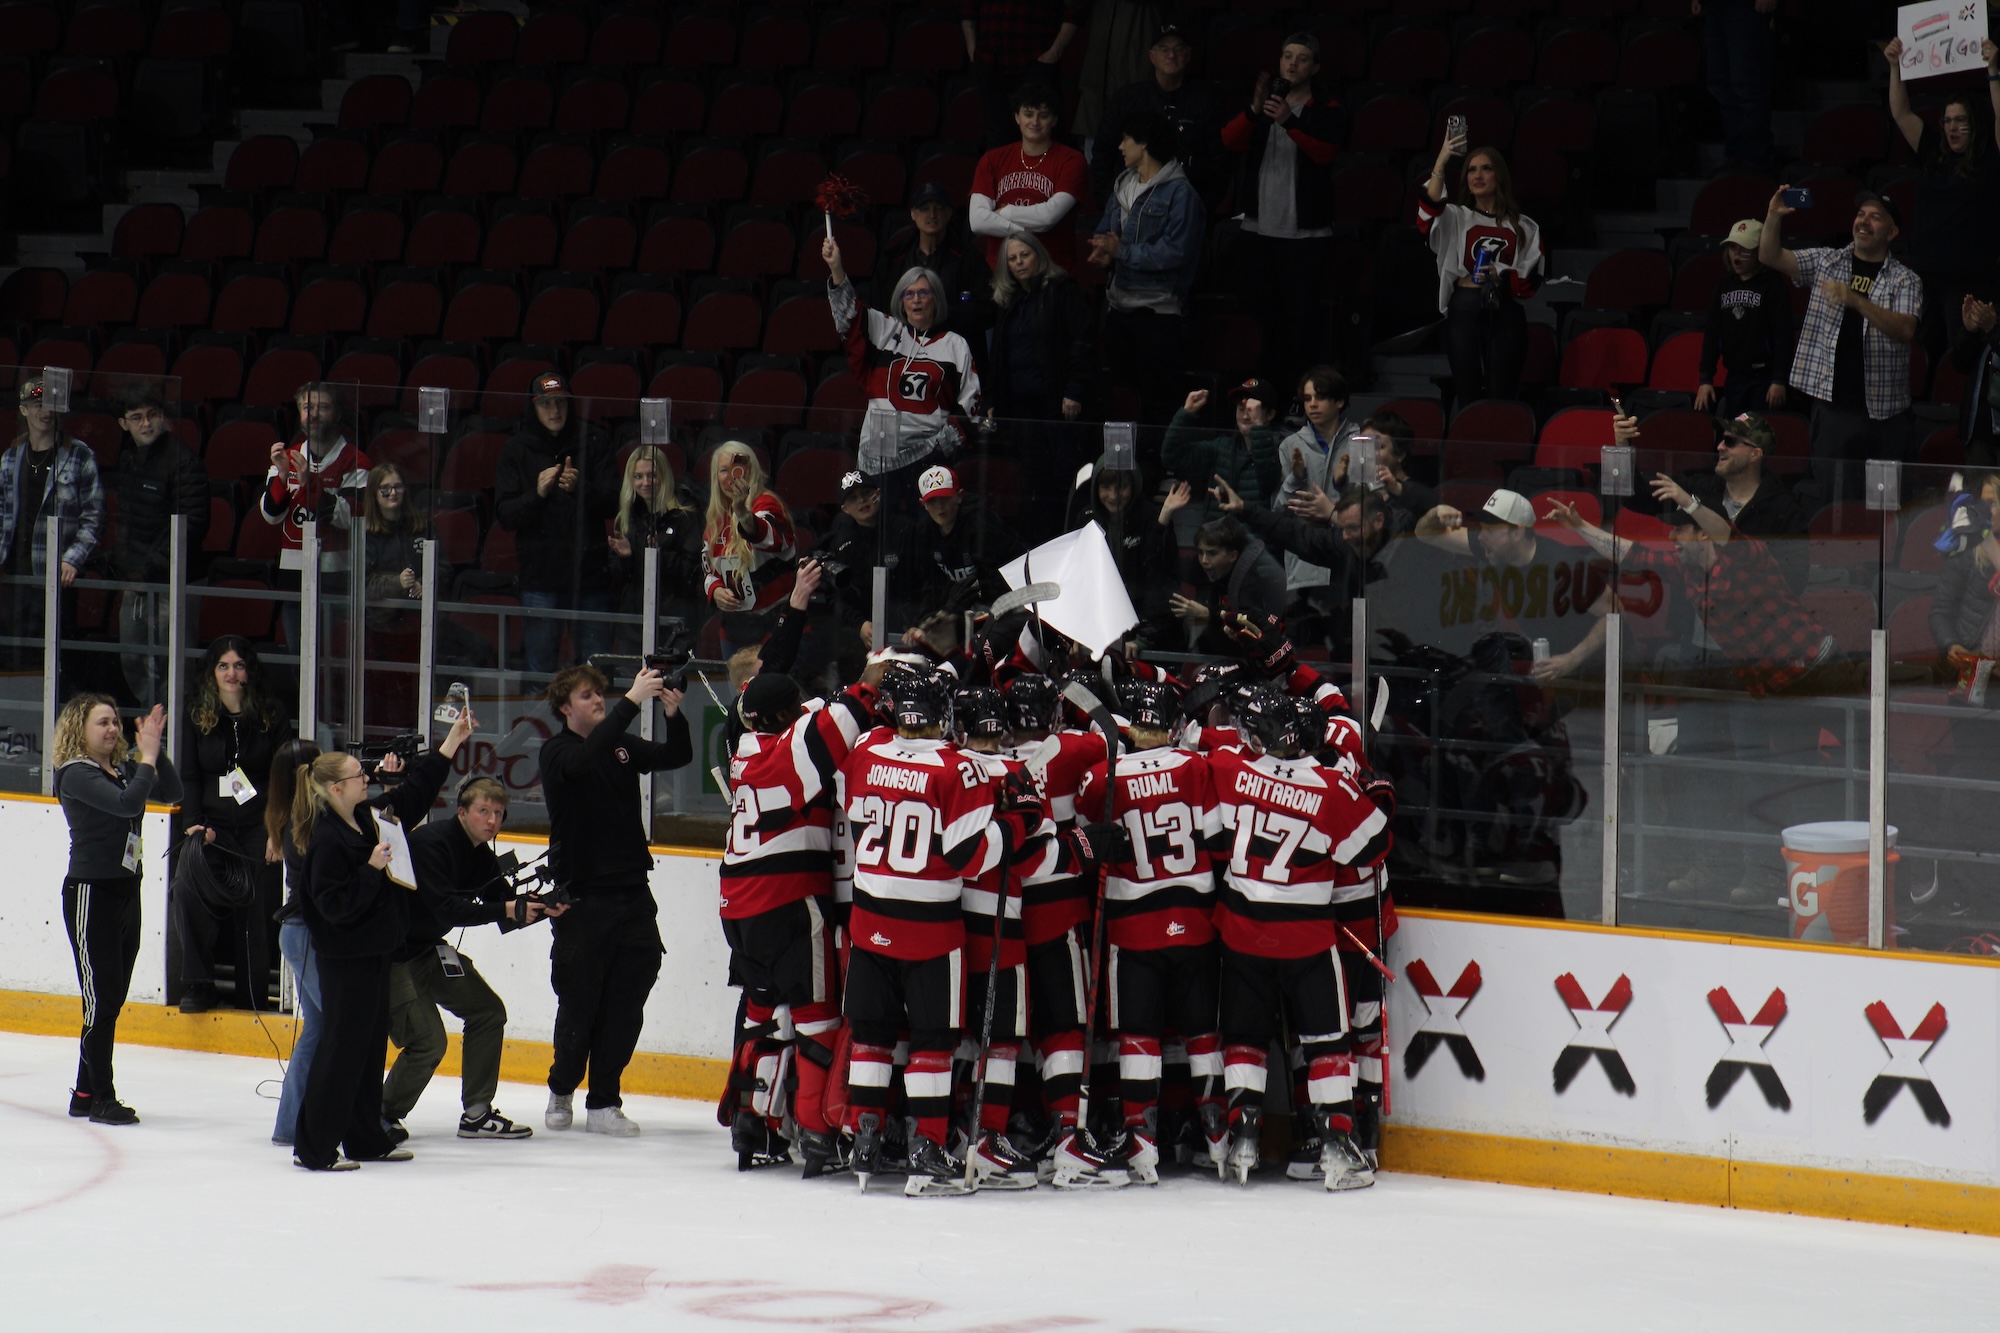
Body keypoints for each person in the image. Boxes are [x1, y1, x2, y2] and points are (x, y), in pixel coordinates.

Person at [1546, 464, 1848, 904]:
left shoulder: (1751, 556)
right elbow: (1631, 553)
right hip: (1753, 676)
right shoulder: (1686, 564)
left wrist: (1690, 501)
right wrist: (1581, 525)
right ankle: (1716, 864)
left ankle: (1768, 872)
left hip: (1810, 674)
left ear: (1703, 534)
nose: (1671, 539)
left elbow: (1728, 537)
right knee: (1710, 764)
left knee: (1771, 777)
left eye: (1682, 531)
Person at [1208, 686, 1392, 1189]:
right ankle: (1336, 1147)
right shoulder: (1331, 786)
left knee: (1245, 1040)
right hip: (1306, 939)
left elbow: (1208, 753)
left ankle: (1242, 1139)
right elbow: (1375, 846)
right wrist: (1366, 785)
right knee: (1326, 1041)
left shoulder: (1232, 769)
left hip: (1241, 933)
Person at [718, 668, 880, 1176]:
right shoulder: (791, 756)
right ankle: (816, 1134)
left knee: (763, 1012)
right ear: (787, 715)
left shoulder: (745, 747)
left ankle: (753, 1123)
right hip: (787, 901)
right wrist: (871, 678)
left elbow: (809, 719)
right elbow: (846, 716)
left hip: (737, 907)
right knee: (817, 1017)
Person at [289, 717, 463, 1171]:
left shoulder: (365, 820)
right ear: (333, 788)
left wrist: (447, 750)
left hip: (374, 953)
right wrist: (369, 869)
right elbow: (333, 907)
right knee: (342, 1050)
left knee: (368, 1051)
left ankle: (364, 1137)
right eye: (357, 777)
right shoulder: (328, 839)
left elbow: (410, 796)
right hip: (346, 959)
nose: (366, 780)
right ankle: (314, 1146)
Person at [1073, 680, 1223, 1184]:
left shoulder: (1102, 775)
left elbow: (1086, 838)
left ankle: (1140, 1139)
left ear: (1132, 725)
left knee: (1138, 1036)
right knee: (1202, 1033)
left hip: (1134, 927)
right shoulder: (1196, 766)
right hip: (1195, 920)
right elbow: (1215, 836)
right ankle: (1218, 1134)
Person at [539, 661, 693, 1135]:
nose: (597, 700)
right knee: (580, 1002)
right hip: (583, 898)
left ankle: (604, 1100)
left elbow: (677, 756)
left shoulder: (621, 745)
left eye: (599, 694)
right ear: (566, 707)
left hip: (632, 892)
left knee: (628, 1000)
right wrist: (631, 702)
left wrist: (673, 714)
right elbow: (585, 761)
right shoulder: (557, 751)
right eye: (586, 696)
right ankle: (562, 1086)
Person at [383, 773, 562, 1142]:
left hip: (428, 949)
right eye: (484, 811)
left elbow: (505, 904)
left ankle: (477, 1113)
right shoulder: (432, 843)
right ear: (462, 812)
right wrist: (509, 909)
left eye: (499, 813)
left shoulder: (481, 854)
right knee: (429, 1041)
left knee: (487, 1011)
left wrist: (543, 908)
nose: (492, 821)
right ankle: (381, 1114)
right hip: (392, 957)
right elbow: (449, 909)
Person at [53, 695, 180, 1126]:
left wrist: (155, 754)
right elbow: (127, 806)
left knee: (112, 997)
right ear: (79, 729)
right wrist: (145, 757)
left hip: (127, 890)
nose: (112, 729)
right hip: (92, 893)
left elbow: (175, 793)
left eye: (115, 722)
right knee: (100, 1000)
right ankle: (103, 1098)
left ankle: (84, 1091)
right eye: (102, 722)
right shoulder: (74, 774)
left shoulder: (123, 769)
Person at [1759, 187, 1921, 502]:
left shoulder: (1905, 279)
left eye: (1875, 218)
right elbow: (1770, 255)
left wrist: (1856, 301)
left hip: (1885, 417)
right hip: (1834, 413)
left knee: (1884, 505)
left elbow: (1905, 329)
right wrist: (1773, 217)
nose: (1864, 221)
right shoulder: (1827, 261)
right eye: (1861, 214)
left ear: (1892, 231)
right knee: (1835, 505)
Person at [173, 635, 294, 1013]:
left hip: (261, 826)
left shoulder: (271, 714)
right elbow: (190, 777)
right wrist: (193, 826)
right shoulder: (197, 714)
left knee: (257, 909)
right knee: (186, 888)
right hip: (213, 827)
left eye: (238, 665)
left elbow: (285, 776)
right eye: (223, 665)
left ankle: (252, 995)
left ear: (249, 670)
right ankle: (199, 984)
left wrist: (276, 831)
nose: (230, 673)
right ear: (212, 672)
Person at [1221, 33, 1347, 395]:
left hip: (1305, 236)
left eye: (1302, 58)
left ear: (1315, 67)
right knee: (1258, 319)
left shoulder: (1327, 108)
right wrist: (1253, 109)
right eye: (1287, 56)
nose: (1292, 63)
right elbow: (1230, 142)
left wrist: (1290, 121)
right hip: (1259, 231)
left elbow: (1324, 154)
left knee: (1298, 326)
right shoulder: (1267, 104)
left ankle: (1298, 397)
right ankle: (1258, 395)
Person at [826, 237, 984, 503]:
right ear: (901, 301)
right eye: (909, 294)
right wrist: (836, 269)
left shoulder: (955, 345)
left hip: (929, 458)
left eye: (924, 292)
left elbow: (970, 409)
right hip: (877, 455)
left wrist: (937, 450)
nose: (917, 300)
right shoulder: (886, 330)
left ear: (936, 298)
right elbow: (849, 317)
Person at [494, 372, 620, 675]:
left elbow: (614, 502)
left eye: (561, 402)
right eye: (546, 404)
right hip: (540, 581)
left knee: (597, 672)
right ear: (533, 408)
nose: (555, 411)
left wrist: (581, 488)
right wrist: (536, 494)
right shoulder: (516, 449)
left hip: (590, 579)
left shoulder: (594, 440)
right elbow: (506, 515)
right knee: (540, 674)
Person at [1883, 36, 2000, 360]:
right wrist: (1895, 67)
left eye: (1960, 121)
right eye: (1947, 121)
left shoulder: (1990, 159)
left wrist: (1993, 71)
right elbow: (1901, 113)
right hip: (1924, 274)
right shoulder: (1934, 152)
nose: (1952, 128)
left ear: (1974, 124)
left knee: (1961, 359)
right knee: (1921, 355)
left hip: (1967, 280)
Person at [1090, 109, 1205, 427]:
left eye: (1126, 139)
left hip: (1158, 316)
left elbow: (1176, 252)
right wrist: (1102, 252)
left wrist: (1122, 251)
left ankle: (1159, 466)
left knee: (1156, 401)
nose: (1120, 146)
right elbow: (1105, 231)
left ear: (1144, 143)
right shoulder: (1122, 184)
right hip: (1118, 309)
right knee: (1119, 399)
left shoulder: (1181, 194)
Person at [1418, 129, 1545, 407]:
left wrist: (1502, 275)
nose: (1478, 175)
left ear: (1499, 175)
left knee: (1502, 398)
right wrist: (1441, 162)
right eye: (1471, 170)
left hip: (1506, 311)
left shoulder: (1525, 226)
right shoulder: (1455, 216)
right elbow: (1427, 212)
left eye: (1486, 169)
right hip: (1465, 307)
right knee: (1468, 397)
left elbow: (1532, 279)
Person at [104, 384, 207, 707]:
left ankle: (174, 733)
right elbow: (126, 520)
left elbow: (194, 523)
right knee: (133, 656)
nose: (146, 424)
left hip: (174, 580)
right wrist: (122, 563)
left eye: (152, 415)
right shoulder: (128, 458)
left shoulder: (182, 461)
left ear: (163, 417)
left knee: (174, 664)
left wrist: (147, 566)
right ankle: (153, 720)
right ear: (123, 423)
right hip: (137, 580)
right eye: (137, 418)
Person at [0, 377, 103, 672]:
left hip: (57, 574)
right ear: (23, 410)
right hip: (16, 575)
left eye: (50, 405)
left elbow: (95, 517)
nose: (44, 411)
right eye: (37, 404)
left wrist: (73, 559)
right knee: (16, 656)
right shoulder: (10, 458)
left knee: (56, 658)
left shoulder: (79, 455)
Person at [258, 382, 367, 653]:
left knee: (333, 662)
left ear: (338, 413)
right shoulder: (287, 458)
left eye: (323, 407)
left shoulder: (355, 460)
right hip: (294, 576)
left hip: (337, 576)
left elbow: (350, 516)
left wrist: (308, 484)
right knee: (299, 659)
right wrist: (283, 476)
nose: (314, 414)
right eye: (308, 407)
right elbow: (271, 516)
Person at [985, 229, 1098, 489]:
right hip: (1020, 408)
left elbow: (1083, 343)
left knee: (1063, 474)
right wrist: (992, 398)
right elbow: (998, 356)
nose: (1019, 262)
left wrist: (1075, 390)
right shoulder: (1007, 301)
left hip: (1057, 405)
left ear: (1040, 256)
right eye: (1012, 259)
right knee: (1031, 477)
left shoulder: (1063, 290)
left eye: (1025, 255)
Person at [1092, 22, 1223, 208]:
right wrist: (1109, 202)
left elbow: (1219, 162)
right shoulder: (1128, 98)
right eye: (1164, 49)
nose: (1171, 55)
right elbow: (1102, 153)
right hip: (1130, 203)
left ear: (1188, 56)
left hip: (1186, 205)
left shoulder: (1204, 101)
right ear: (1151, 56)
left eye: (1178, 49)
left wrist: (1202, 208)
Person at [969, 82, 1092, 275]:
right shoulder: (992, 159)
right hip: (1001, 272)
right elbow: (977, 222)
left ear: (1054, 120)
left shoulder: (1072, 160)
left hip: (1053, 271)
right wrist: (1026, 230)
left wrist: (1003, 213)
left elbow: (1048, 217)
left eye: (1043, 116)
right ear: (1017, 117)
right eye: (1028, 114)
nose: (1035, 122)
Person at [267, 737, 322, 1147]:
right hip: (305, 932)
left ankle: (289, 1124)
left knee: (320, 1027)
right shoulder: (307, 821)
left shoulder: (286, 815)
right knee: (332, 1024)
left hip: (298, 932)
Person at [1681, 411, 1807, 590]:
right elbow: (1641, 499)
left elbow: (1794, 580)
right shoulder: (1701, 487)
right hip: (1695, 599)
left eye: (1730, 442)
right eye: (1722, 439)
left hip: (1749, 609)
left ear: (1755, 454)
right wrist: (1624, 446)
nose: (1720, 447)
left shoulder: (1784, 510)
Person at [889, 464, 1024, 628]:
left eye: (945, 498)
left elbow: (1001, 578)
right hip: (962, 608)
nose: (940, 507)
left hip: (1006, 603)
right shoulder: (924, 532)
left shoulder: (982, 524)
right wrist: (924, 619)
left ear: (959, 496)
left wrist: (955, 607)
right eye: (932, 501)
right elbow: (930, 584)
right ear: (922, 504)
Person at [1696, 219, 1795, 417]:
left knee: (1759, 436)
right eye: (1733, 247)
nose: (1737, 255)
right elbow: (1712, 335)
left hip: (1765, 378)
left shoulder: (1774, 287)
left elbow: (1783, 336)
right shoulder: (1723, 288)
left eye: (1744, 249)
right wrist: (1706, 379)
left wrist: (1778, 380)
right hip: (1735, 376)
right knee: (1735, 434)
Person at [1160, 382, 1283, 543]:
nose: (1245, 416)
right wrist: (1186, 413)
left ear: (1270, 414)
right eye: (1240, 409)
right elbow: (1171, 457)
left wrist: (1259, 428)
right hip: (1217, 547)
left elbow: (1268, 483)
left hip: (1259, 551)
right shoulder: (1222, 447)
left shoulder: (1282, 449)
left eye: (1252, 411)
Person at [872, 182, 996, 335]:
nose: (932, 215)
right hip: (904, 344)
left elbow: (989, 308)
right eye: (925, 209)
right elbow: (878, 307)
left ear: (949, 213)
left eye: (939, 208)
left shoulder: (969, 257)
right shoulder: (894, 257)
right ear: (913, 214)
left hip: (956, 345)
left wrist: (940, 315)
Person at [1083, 461, 1178, 647]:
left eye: (1122, 487)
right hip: (1097, 631)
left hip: (1142, 633)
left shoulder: (1154, 519)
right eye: (1105, 487)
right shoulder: (1086, 520)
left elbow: (1160, 581)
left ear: (1134, 486)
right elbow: (1080, 582)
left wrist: (1144, 637)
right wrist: (1078, 633)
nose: (1113, 496)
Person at [962, 2, 1081, 148]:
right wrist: (973, 52)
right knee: (998, 144)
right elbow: (968, 13)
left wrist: (1054, 53)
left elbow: (1075, 9)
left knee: (1041, 138)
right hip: (989, 65)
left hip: (1035, 64)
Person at [702, 441, 797, 617]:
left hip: (776, 616)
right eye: (723, 470)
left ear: (750, 471)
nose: (731, 476)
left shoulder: (767, 503)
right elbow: (710, 571)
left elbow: (767, 536)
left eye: (736, 468)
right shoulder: (716, 516)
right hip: (735, 624)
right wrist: (716, 591)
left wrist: (741, 512)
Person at [1172, 515, 1287, 654]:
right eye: (1200, 552)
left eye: (1212, 553)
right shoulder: (1208, 572)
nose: (1204, 560)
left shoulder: (1248, 586)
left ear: (1232, 556)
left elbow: (1248, 624)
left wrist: (1208, 613)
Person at [1695, 0, 1777, 172]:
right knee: (1721, 85)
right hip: (1715, 7)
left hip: (1746, 7)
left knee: (1747, 84)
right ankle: (1736, 156)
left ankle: (1754, 158)